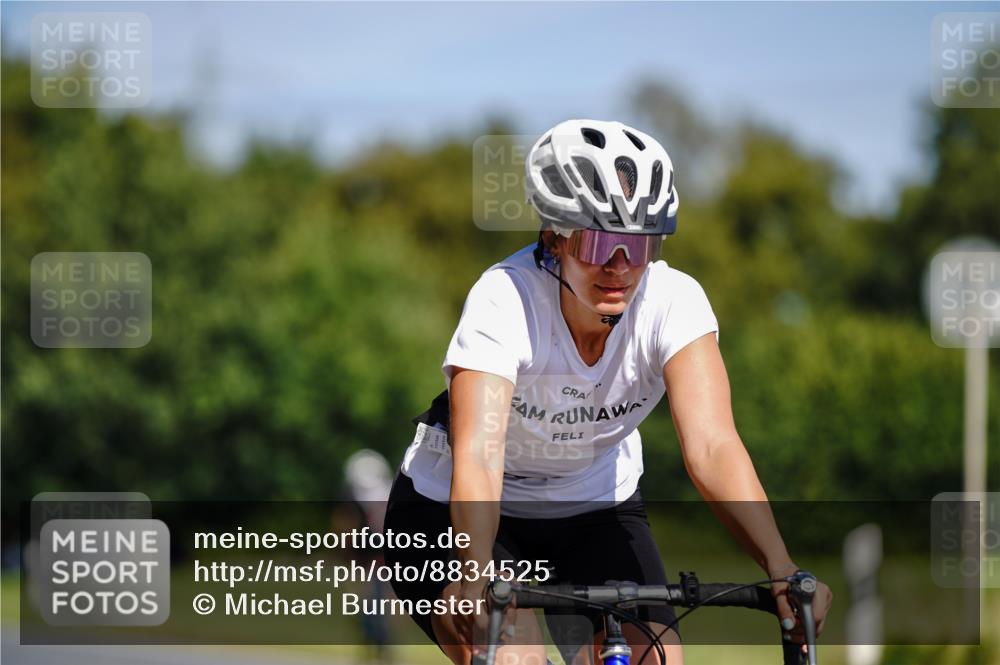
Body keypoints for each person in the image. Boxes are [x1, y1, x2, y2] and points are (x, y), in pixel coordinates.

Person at [382, 119, 832, 665]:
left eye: (639, 244)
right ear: (554, 238)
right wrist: (474, 572)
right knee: (510, 657)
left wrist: (782, 570)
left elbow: (713, 447)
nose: (620, 266)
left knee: (656, 659)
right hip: (453, 507)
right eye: (600, 241)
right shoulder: (504, 299)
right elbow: (480, 451)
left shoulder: (673, 302)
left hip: (592, 504)